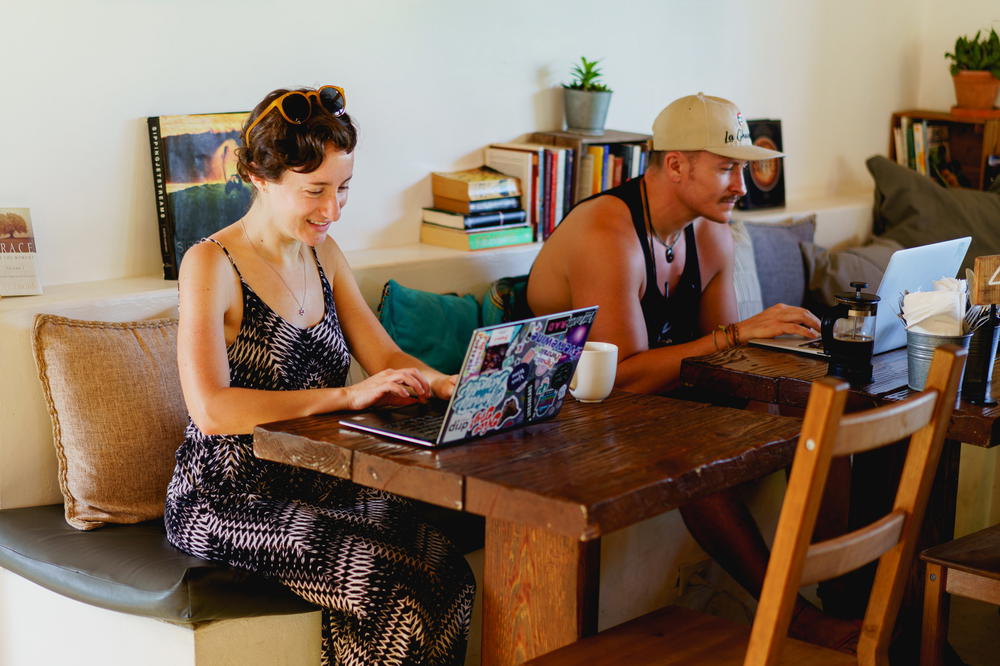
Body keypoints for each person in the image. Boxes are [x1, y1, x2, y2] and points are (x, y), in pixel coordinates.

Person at [527, 93, 860, 651]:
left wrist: (771, 399)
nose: (742, 186)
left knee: (826, 408)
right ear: (676, 164)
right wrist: (740, 335)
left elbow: (721, 363)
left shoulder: (709, 233)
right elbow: (624, 378)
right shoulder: (608, 232)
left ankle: (847, 598)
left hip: (659, 399)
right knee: (692, 455)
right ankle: (793, 615)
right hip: (567, 411)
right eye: (728, 168)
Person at [164, 86, 474, 666]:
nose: (331, 210)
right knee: (394, 595)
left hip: (321, 482)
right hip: (227, 497)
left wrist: (446, 383)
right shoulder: (211, 262)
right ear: (259, 175)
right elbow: (210, 408)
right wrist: (345, 396)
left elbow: (383, 355)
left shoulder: (324, 255)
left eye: (343, 189)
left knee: (449, 574)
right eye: (315, 191)